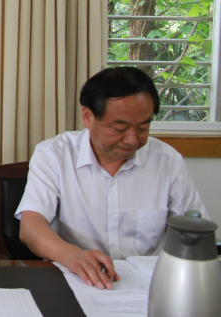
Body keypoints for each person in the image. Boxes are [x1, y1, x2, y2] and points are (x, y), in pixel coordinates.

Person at [16, 66, 208, 290]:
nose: (132, 140)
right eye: (119, 129)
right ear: (88, 116)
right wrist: (72, 256)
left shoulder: (167, 161)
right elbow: (30, 228)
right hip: (77, 282)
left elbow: (194, 232)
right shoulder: (54, 155)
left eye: (143, 128)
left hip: (150, 287)